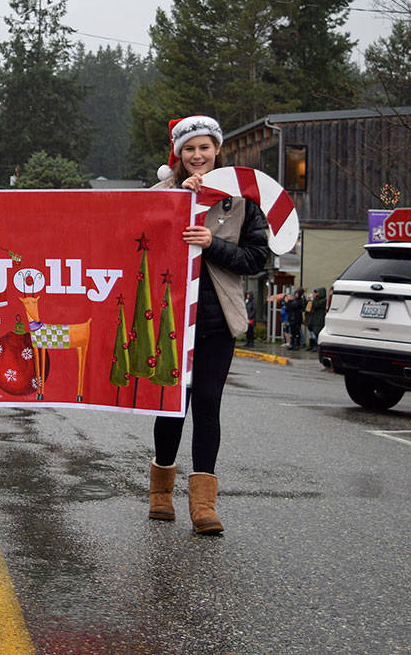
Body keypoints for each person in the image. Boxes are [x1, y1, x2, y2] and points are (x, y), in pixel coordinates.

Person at [147, 115, 268, 535]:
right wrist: (179, 204)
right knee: (171, 405)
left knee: (207, 405)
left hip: (217, 321)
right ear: (178, 155)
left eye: (205, 147)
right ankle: (161, 494)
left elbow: (257, 259)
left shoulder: (243, 199)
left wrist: (211, 243)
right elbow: (137, 246)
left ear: (218, 150)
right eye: (189, 149)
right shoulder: (160, 194)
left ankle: (204, 505)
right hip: (170, 319)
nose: (197, 156)